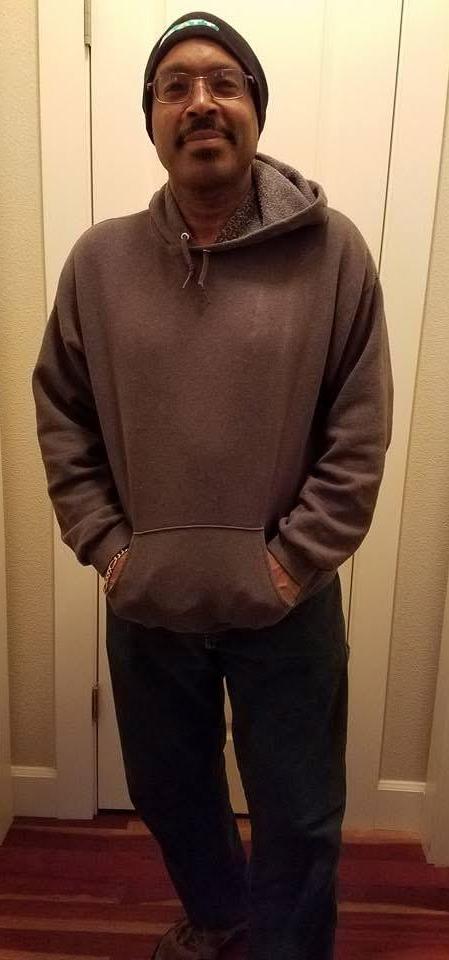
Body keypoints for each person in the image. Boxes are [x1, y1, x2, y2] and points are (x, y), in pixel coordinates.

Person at [32, 10, 394, 960]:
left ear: (255, 110)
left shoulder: (333, 252)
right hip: (148, 603)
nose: (200, 102)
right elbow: (62, 417)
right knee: (169, 791)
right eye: (174, 87)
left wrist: (288, 566)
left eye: (224, 83)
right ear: (151, 119)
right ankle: (223, 918)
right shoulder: (98, 262)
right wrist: (111, 552)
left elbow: (357, 432)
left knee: (299, 811)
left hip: (288, 603)